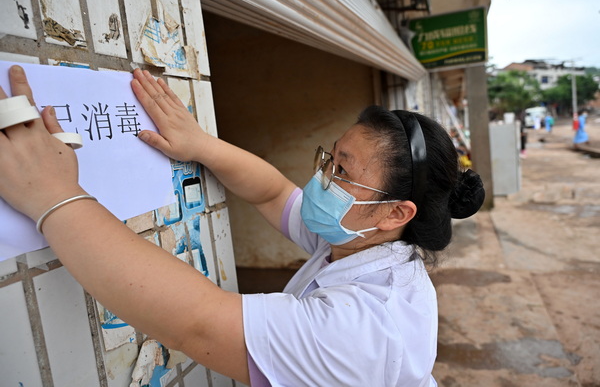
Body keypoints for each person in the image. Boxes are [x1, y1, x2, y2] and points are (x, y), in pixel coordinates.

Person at [0, 65, 484, 386]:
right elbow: (273, 192)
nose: (321, 179)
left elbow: (200, 326)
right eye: (329, 159)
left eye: (343, 172)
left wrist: (52, 195)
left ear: (396, 213)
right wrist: (201, 144)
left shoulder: (364, 328)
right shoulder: (360, 241)